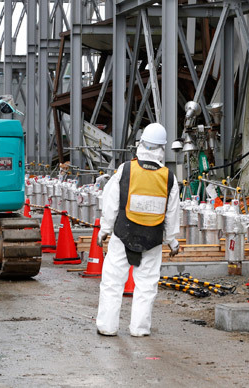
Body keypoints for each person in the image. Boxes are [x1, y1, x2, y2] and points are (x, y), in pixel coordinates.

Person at [95, 123, 181, 337]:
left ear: (141, 144)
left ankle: (107, 326)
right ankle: (140, 329)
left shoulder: (126, 169)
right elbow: (171, 214)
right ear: (163, 148)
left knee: (113, 282)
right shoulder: (169, 177)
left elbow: (111, 202)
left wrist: (104, 230)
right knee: (146, 285)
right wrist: (172, 241)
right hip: (152, 239)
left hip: (123, 234)